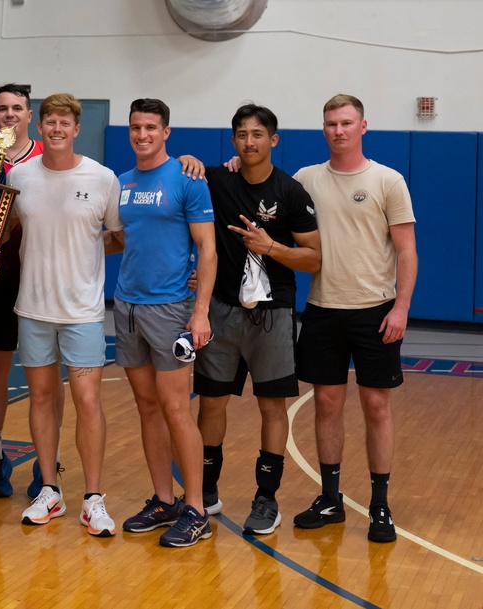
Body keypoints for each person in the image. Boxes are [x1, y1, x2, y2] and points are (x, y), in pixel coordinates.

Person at [291, 94, 416, 544]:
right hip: (323, 310)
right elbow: (261, 194)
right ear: (323, 128)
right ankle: (330, 498)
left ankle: (380, 505)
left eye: (346, 123)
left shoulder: (387, 180)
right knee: (326, 404)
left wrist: (400, 308)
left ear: (363, 126)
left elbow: (406, 250)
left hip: (376, 311)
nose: (338, 130)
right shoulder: (304, 180)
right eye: (330, 123)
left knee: (376, 406)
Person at [191, 104, 320, 536]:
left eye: (258, 134)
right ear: (234, 141)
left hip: (272, 314)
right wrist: (187, 160)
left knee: (271, 406)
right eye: (242, 135)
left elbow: (315, 258)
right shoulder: (217, 180)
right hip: (222, 312)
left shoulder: (292, 192)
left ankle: (267, 498)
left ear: (273, 140)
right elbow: (176, 178)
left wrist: (272, 247)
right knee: (211, 403)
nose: (250, 142)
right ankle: (206, 489)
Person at [11, 93, 122, 537]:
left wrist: (84, 258)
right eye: (50, 121)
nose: (57, 129)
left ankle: (92, 499)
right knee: (40, 399)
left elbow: (116, 236)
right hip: (32, 307)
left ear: (77, 128)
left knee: (87, 401)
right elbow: (1, 234)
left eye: (65, 123)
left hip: (83, 312)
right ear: (39, 127)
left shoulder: (102, 177)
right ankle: (50, 490)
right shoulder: (19, 175)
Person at [108, 98, 217, 547]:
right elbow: (119, 240)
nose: (142, 135)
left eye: (151, 127)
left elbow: (207, 250)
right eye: (135, 127)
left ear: (166, 132)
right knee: (147, 407)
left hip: (171, 309)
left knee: (175, 408)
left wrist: (200, 312)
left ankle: (195, 509)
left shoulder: (188, 178)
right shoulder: (121, 182)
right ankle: (163, 499)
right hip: (126, 306)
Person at [0, 83, 52, 499]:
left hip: (42, 280)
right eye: (2, 108)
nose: (10, 114)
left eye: (17, 108)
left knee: (45, 378)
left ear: (30, 116)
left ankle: (47, 464)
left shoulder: (49, 157)